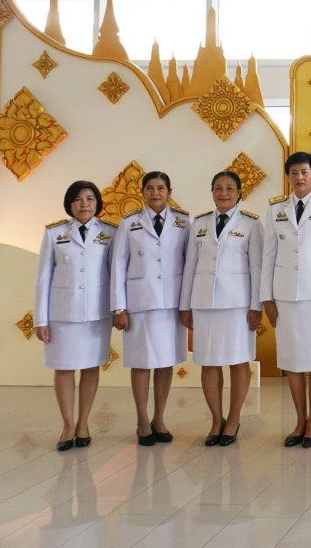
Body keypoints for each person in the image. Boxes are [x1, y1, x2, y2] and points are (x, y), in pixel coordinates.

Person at [260, 152, 311, 449]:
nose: (299, 177)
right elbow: (268, 256)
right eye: (294, 172)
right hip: (284, 296)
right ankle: (299, 421)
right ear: (288, 176)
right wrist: (266, 296)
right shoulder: (276, 209)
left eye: (304, 172)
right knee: (292, 361)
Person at [179, 171, 263, 447]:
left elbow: (257, 268)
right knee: (209, 362)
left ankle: (234, 419)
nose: (223, 193)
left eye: (229, 188)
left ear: (239, 193)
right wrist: (185, 305)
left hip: (237, 305)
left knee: (239, 362)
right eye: (218, 188)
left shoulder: (251, 223)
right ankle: (216, 420)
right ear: (212, 192)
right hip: (204, 303)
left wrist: (256, 306)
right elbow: (189, 267)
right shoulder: (200, 223)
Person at [34, 180, 117, 451]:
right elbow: (42, 279)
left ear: (97, 203)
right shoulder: (54, 233)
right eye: (79, 199)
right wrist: (40, 319)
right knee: (64, 368)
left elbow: (115, 274)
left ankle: (83, 423)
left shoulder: (110, 232)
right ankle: (68, 425)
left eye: (90, 199)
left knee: (91, 367)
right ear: (70, 204)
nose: (84, 204)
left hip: (96, 313)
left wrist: (117, 309)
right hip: (62, 313)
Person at [110, 171, 190, 446]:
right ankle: (142, 420)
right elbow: (118, 265)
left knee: (166, 362)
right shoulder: (129, 223)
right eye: (150, 188)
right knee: (142, 362)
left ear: (169, 192)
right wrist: (118, 307)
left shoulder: (183, 222)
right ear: (142, 192)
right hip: (140, 304)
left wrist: (187, 304)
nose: (155, 193)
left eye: (161, 188)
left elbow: (189, 264)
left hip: (171, 304)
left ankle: (160, 418)